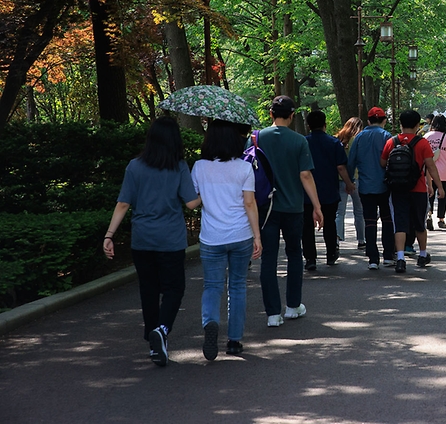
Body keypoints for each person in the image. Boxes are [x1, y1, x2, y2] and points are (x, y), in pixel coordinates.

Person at [103, 116, 201, 367]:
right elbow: (191, 203)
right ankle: (162, 330)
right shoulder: (178, 166)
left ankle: (153, 340)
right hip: (171, 239)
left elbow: (123, 203)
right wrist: (208, 190)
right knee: (174, 289)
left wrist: (109, 235)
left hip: (142, 239)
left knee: (148, 289)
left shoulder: (134, 166)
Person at [191, 119, 263, 360]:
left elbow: (193, 201)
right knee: (237, 286)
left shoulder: (199, 167)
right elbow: (249, 203)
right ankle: (234, 341)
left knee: (212, 286)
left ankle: (210, 323)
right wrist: (257, 236)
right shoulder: (244, 168)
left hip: (212, 237)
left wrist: (207, 193)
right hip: (240, 234)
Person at [256, 95, 322, 327]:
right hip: (293, 207)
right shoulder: (299, 141)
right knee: (295, 253)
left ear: (271, 114)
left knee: (268, 258)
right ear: (292, 116)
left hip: (265, 207)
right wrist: (316, 205)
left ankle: (273, 314)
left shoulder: (256, 138)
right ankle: (293, 306)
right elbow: (305, 174)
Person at [380, 110, 445, 273]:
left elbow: (383, 163)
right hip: (418, 189)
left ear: (400, 124)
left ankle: (400, 258)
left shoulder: (392, 142)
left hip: (397, 189)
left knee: (400, 223)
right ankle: (422, 255)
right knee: (419, 223)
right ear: (417, 126)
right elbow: (431, 167)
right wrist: (440, 187)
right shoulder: (422, 143)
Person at [303, 111, 354, 269]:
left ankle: (310, 258)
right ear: (324, 124)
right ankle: (331, 253)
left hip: (306, 192)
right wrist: (348, 183)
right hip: (329, 190)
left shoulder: (303, 142)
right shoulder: (333, 143)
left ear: (308, 125)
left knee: (306, 226)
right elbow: (340, 166)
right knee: (330, 222)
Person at [347, 107, 395, 270]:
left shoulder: (359, 137)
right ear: (384, 120)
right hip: (385, 185)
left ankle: (372, 258)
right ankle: (388, 255)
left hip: (366, 186)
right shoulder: (387, 136)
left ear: (368, 121)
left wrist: (349, 181)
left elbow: (351, 161)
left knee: (370, 221)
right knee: (387, 220)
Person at [335, 117, 366, 250]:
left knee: (339, 212)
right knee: (359, 211)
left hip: (340, 178)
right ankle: (361, 240)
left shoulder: (338, 139)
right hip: (357, 178)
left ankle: (336, 239)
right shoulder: (360, 140)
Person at [425, 114, 446, 229]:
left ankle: (429, 214)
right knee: (442, 195)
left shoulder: (426, 136)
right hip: (443, 172)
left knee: (429, 194)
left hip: (428, 171)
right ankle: (441, 219)